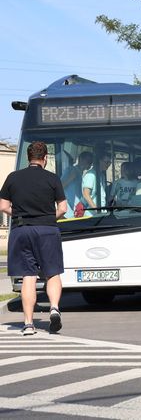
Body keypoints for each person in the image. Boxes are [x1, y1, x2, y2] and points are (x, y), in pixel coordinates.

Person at [0, 142, 68, 335]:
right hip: (47, 229)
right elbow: (63, 208)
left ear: (28, 158)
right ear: (45, 158)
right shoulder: (52, 178)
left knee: (28, 276)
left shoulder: (13, 178)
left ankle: (29, 324)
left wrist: (21, 214)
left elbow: (3, 206)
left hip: (22, 229)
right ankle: (54, 308)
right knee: (53, 272)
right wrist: (47, 217)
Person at [60, 151, 93, 218]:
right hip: (68, 210)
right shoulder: (70, 169)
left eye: (90, 162)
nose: (88, 164)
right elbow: (60, 187)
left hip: (78, 210)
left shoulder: (84, 175)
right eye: (87, 161)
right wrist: (70, 178)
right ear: (80, 159)